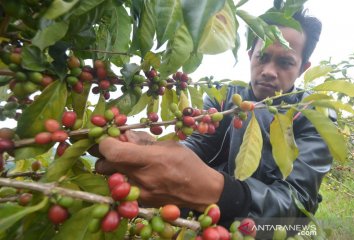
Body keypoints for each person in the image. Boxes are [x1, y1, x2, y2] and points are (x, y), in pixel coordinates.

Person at [95, 8, 332, 237]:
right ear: (250, 55)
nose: (269, 71)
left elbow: (297, 205)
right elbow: (199, 146)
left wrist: (224, 193)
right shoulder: (225, 97)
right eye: (263, 57)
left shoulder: (312, 115)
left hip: (271, 228)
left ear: (302, 68)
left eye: (285, 63)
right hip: (209, 217)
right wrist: (153, 152)